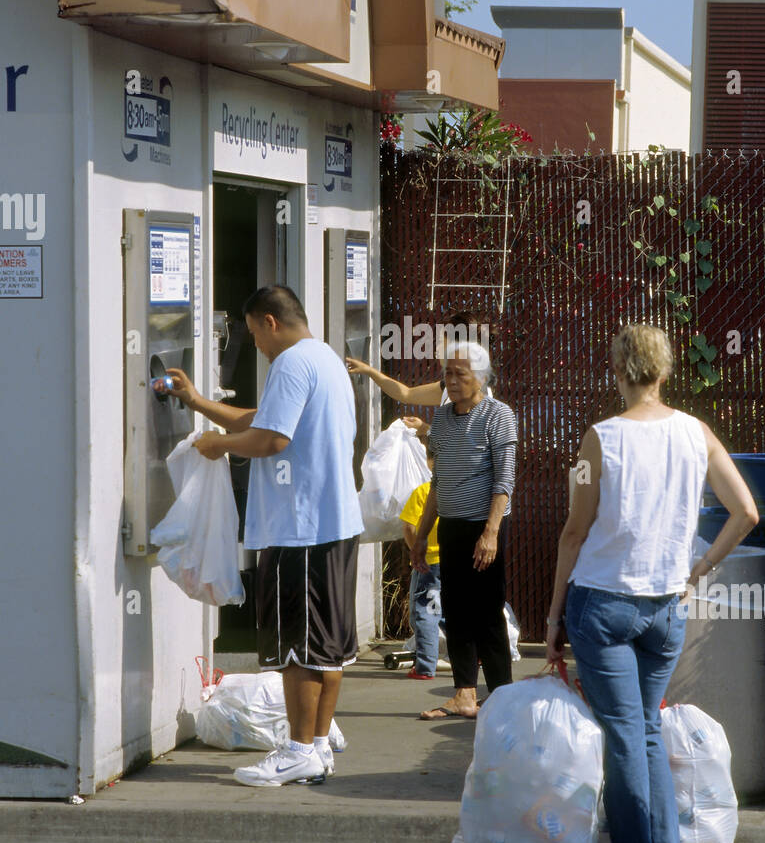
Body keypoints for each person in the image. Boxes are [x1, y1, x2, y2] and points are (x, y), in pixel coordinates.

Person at [545, 324, 759, 843]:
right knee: (644, 732)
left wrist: (552, 617)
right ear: (665, 373)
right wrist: (701, 565)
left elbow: (573, 531)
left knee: (624, 735)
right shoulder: (696, 433)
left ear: (617, 371)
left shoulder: (600, 439)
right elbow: (746, 512)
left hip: (602, 604)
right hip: (667, 608)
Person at [166, 284, 362, 787]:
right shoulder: (324, 359)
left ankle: (296, 749)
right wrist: (199, 403)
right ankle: (316, 746)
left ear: (270, 322)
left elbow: (272, 438)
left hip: (299, 529)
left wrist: (218, 447)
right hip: (334, 526)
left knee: (297, 649)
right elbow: (264, 418)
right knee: (328, 648)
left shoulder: (292, 363)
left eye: (253, 334)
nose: (256, 344)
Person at [410, 341, 517, 719]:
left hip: (483, 529)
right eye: (447, 373)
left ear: (482, 377)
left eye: (460, 373)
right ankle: (465, 695)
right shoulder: (440, 419)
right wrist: (422, 534)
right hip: (450, 527)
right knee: (455, 612)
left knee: (487, 613)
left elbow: (504, 480)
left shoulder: (498, 415)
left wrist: (491, 532)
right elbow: (438, 481)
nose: (451, 381)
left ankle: (503, 696)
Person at [346, 310, 493, 441]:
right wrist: (369, 371)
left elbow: (461, 443)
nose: (437, 348)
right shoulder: (451, 387)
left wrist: (424, 428)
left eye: (441, 342)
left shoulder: (473, 394)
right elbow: (406, 393)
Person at [399, 450, 441, 679]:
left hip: (429, 562)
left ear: (430, 462)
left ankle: (425, 666)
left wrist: (415, 549)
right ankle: (472, 657)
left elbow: (408, 527)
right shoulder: (458, 491)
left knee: (426, 612)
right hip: (455, 561)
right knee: (452, 612)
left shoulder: (424, 491)